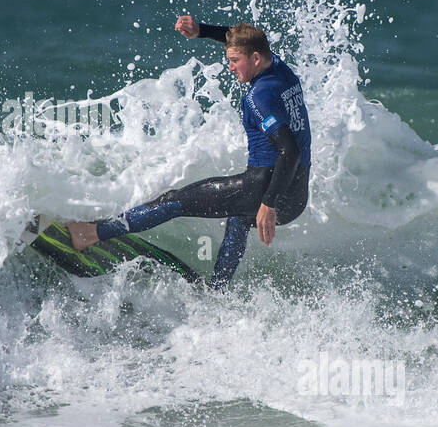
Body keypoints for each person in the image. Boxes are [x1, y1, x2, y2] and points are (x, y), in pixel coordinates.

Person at [66, 18, 311, 289]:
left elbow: (290, 150)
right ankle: (218, 292)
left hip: (265, 189)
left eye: (234, 61)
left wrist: (268, 204)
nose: (230, 68)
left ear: (254, 58)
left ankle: (90, 233)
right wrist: (202, 31)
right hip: (296, 194)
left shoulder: (259, 98)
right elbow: (241, 42)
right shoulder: (278, 68)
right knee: (238, 218)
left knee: (172, 202)